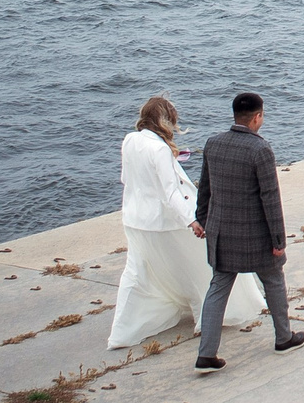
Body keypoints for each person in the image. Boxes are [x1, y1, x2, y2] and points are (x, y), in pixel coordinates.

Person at [108, 95, 260, 350]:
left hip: (134, 218)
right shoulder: (159, 149)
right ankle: (207, 316)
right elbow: (170, 194)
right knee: (200, 267)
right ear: (166, 120)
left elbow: (126, 178)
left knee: (136, 272)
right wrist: (192, 220)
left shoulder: (130, 140)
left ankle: (121, 332)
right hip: (164, 221)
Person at [194, 91, 304, 365]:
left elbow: (205, 188)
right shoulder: (260, 149)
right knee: (274, 280)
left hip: (221, 234)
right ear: (257, 117)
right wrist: (278, 240)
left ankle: (206, 354)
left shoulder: (213, 143)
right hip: (256, 237)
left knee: (218, 289)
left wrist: (202, 219)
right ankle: (283, 338)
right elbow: (270, 198)